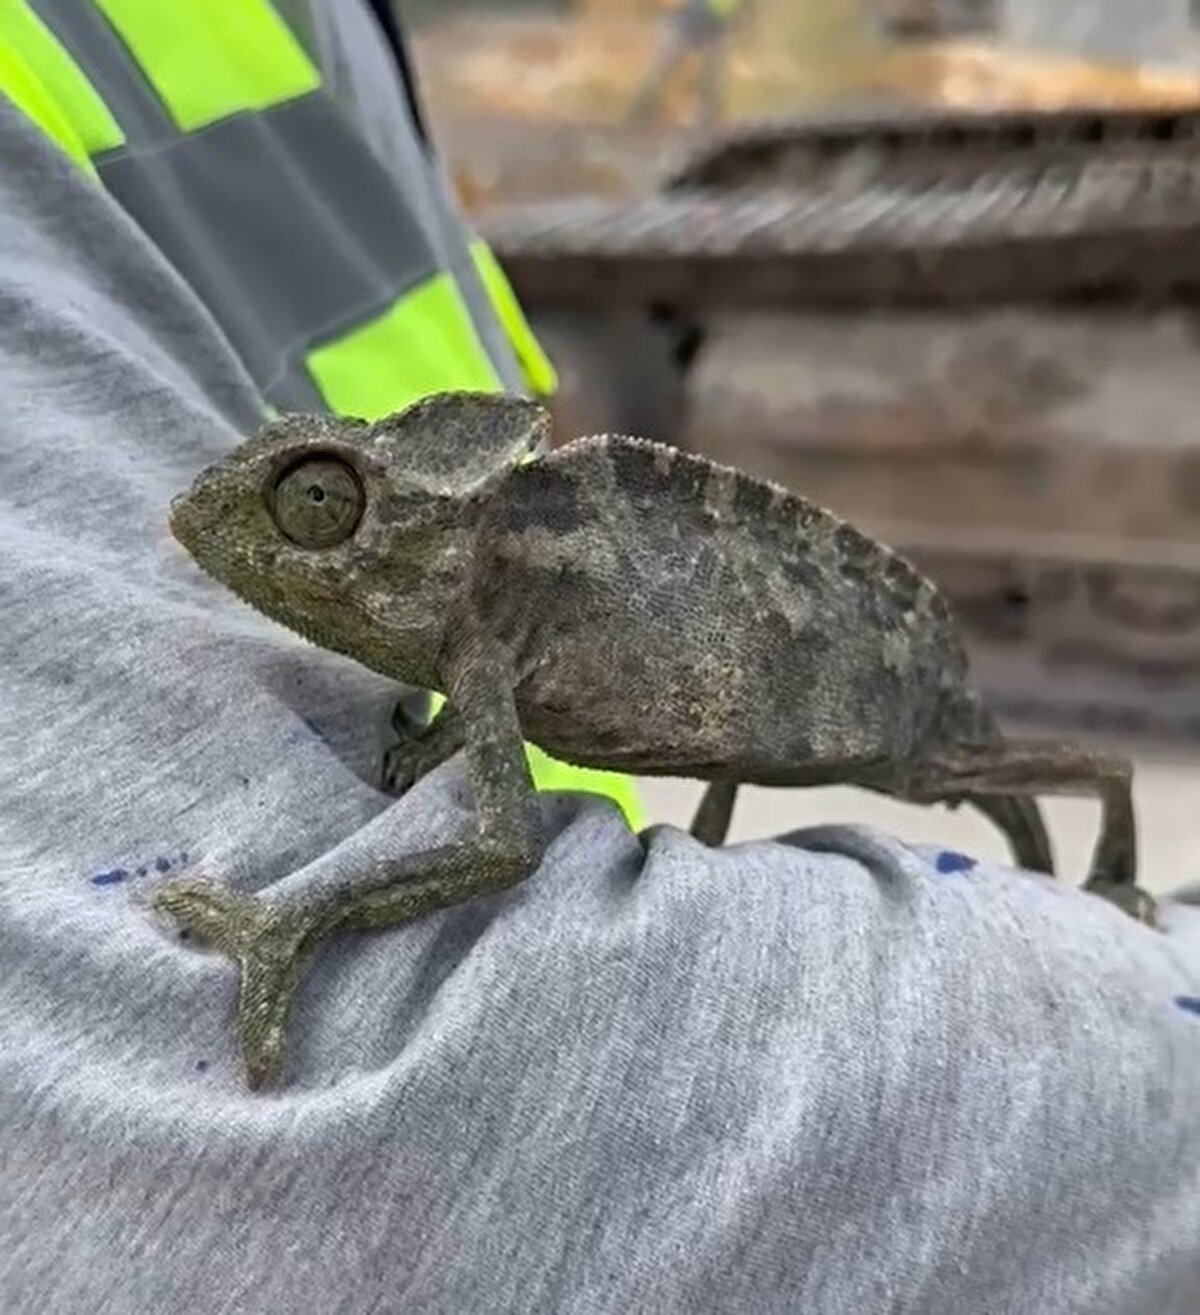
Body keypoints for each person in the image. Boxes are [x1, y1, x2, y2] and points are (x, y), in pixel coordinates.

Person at [0, 3, 1198, 1312]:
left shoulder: (486, 590)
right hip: (722, 748)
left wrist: (295, 914)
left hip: (874, 679)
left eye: (321, 513)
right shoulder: (477, 616)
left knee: (1009, 774)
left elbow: (503, 844)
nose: (287, 545)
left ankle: (1103, 878)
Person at [627, 0, 746, 132]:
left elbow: (737, 10)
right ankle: (641, 108)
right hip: (691, 19)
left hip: (716, 25)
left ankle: (708, 118)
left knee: (712, 76)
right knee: (665, 65)